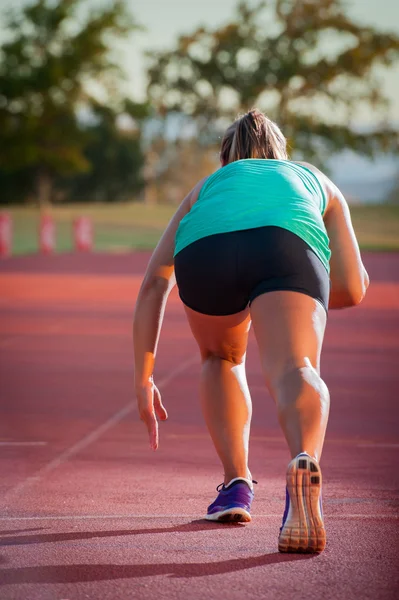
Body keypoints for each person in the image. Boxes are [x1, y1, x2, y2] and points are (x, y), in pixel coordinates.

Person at [133, 109, 369, 553]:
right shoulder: (312, 177)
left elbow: (155, 283)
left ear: (226, 158)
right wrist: (283, 301)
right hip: (286, 243)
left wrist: (143, 377)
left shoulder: (206, 188)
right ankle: (304, 458)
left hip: (205, 248)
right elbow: (352, 289)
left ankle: (236, 484)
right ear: (282, 151)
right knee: (295, 366)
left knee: (220, 357)